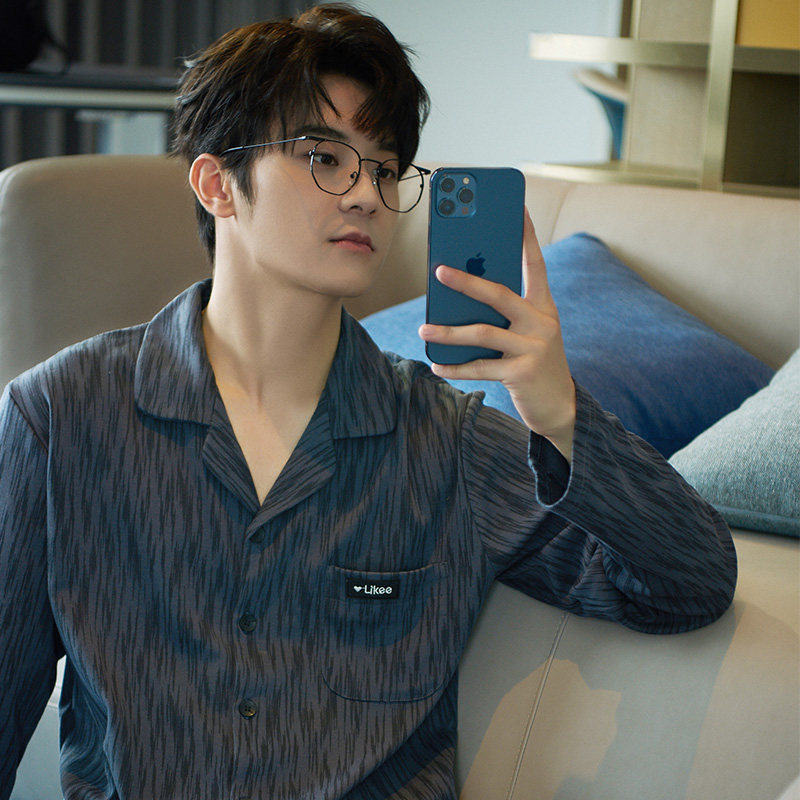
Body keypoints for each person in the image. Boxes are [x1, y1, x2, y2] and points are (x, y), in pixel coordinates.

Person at [0, 4, 736, 798]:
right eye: (324, 157)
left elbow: (688, 585)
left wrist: (560, 411)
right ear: (218, 185)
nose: (366, 195)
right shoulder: (59, 419)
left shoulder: (446, 442)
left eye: (385, 169)